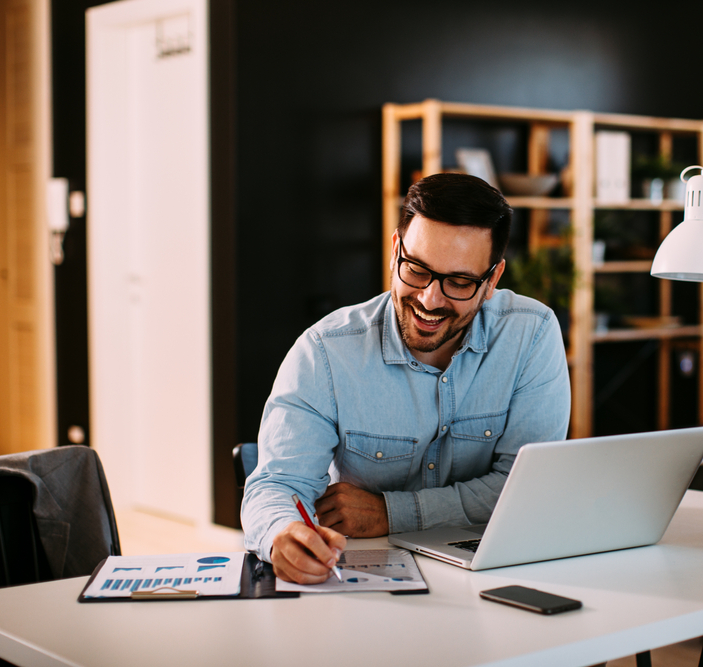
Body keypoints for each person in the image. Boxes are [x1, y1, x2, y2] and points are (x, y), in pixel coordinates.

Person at [241, 173, 571, 584]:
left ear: (492, 280)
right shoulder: (325, 352)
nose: (430, 299)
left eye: (460, 281)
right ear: (396, 250)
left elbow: (522, 488)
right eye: (416, 269)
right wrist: (281, 534)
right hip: (366, 584)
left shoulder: (531, 334)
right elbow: (275, 485)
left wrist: (390, 513)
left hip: (495, 573)